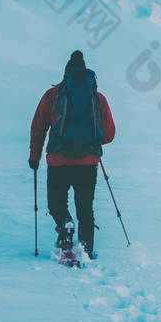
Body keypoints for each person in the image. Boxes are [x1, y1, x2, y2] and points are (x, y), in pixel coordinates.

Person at [28, 50, 116, 259]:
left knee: (56, 204)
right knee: (85, 207)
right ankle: (85, 248)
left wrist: (35, 157)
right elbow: (110, 134)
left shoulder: (52, 96)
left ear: (66, 73)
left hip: (58, 161)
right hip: (88, 162)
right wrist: (91, 141)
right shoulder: (97, 98)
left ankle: (65, 225)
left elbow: (38, 127)